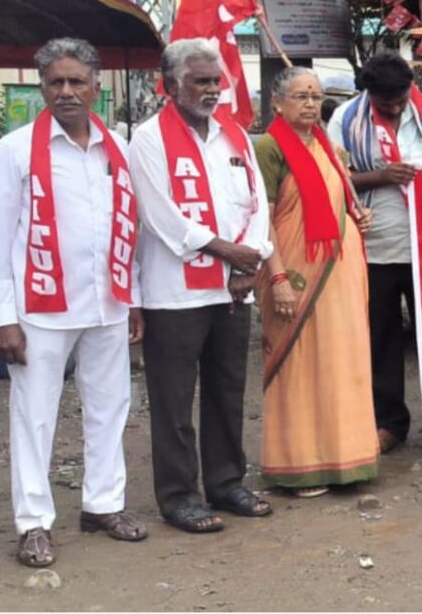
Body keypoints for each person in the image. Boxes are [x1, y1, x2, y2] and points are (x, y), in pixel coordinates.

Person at [0, 39, 148, 567]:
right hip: (40, 310)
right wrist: (2, 317)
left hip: (108, 303)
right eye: (57, 82)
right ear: (43, 87)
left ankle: (103, 504)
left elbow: (129, 230)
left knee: (109, 407)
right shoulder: (14, 151)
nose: (68, 91)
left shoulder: (117, 146)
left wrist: (134, 298)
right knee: (34, 415)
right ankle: (33, 522)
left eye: (78, 82)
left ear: (97, 87)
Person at [128, 38, 274, 533]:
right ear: (171, 86)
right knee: (173, 399)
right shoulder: (148, 139)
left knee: (227, 390)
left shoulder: (234, 135)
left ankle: (227, 482)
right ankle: (177, 495)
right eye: (201, 81)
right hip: (176, 293)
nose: (213, 89)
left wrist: (250, 262)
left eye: (216, 80)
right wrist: (228, 252)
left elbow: (259, 206)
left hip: (233, 290)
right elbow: (159, 216)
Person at [328, 52, 422, 460]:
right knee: (381, 338)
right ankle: (389, 423)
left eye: (400, 98)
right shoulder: (345, 121)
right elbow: (332, 178)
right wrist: (379, 176)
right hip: (374, 248)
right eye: (385, 102)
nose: (394, 107)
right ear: (368, 93)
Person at [256, 67, 378, 496]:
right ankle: (300, 465)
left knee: (343, 363)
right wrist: (278, 280)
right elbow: (263, 222)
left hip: (341, 272)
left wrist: (357, 215)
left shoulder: (331, 150)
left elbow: (337, 202)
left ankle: (349, 459)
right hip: (296, 274)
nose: (311, 103)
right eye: (301, 96)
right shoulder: (270, 149)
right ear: (277, 103)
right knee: (301, 366)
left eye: (316, 96)